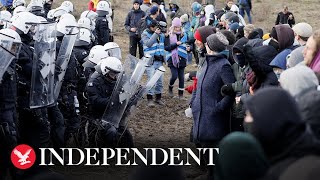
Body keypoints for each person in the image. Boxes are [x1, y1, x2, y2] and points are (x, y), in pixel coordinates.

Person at [244, 87, 320, 179]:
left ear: (270, 120)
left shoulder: (304, 172)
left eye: (249, 116)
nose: (245, 120)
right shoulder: (275, 158)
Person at [191, 32, 236, 179]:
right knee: (206, 154)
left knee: (214, 158)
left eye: (207, 43)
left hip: (214, 122)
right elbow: (199, 87)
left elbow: (231, 92)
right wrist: (193, 103)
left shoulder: (223, 66)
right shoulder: (206, 62)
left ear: (210, 47)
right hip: (201, 118)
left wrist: (218, 108)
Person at [0, 28, 21, 180]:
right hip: (3, 110)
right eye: (13, 46)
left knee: (13, 140)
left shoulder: (10, 64)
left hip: (11, 108)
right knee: (10, 142)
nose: (15, 50)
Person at [141, 19, 166, 107]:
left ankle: (158, 98)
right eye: (155, 27)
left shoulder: (160, 34)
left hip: (159, 61)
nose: (156, 29)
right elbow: (148, 44)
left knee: (160, 81)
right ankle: (150, 99)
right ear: (151, 27)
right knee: (151, 80)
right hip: (150, 61)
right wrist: (156, 34)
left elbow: (164, 44)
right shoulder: (145, 34)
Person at [165, 18, 191, 99]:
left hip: (182, 57)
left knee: (181, 77)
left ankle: (181, 95)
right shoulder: (169, 35)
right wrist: (176, 44)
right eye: (175, 27)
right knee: (174, 75)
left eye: (179, 27)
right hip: (171, 58)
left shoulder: (184, 35)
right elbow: (167, 48)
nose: (177, 29)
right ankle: (170, 87)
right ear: (173, 26)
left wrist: (189, 48)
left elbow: (189, 45)